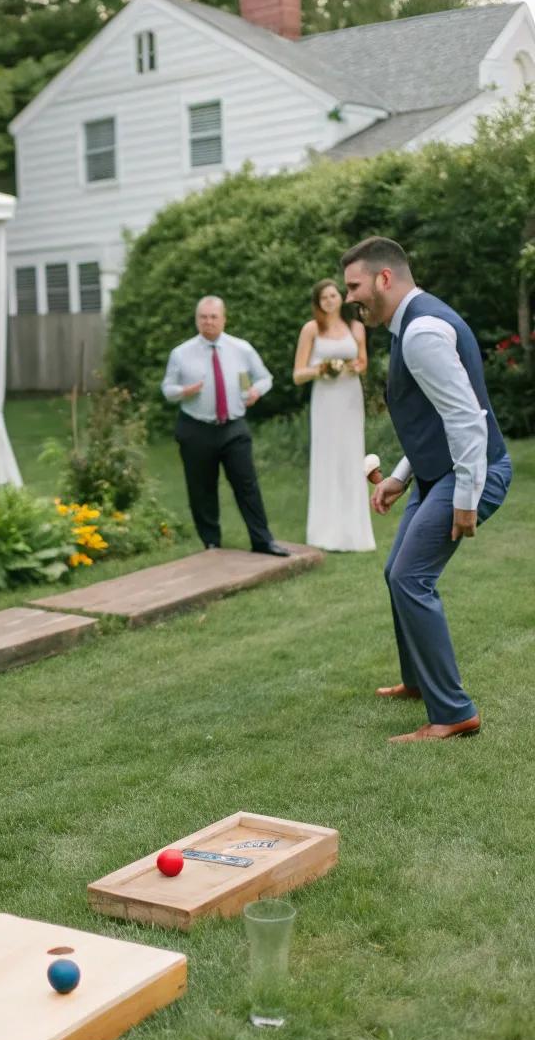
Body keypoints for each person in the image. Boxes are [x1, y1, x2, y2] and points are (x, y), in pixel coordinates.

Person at [342, 237, 512, 742]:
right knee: (397, 572)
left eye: (355, 286)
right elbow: (434, 417)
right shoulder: (409, 325)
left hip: (469, 474)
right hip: (441, 471)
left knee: (412, 578)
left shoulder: (420, 333)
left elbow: (466, 419)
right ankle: (418, 681)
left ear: (384, 279)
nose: (351, 296)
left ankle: (454, 712)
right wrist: (401, 475)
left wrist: (465, 502)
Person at [161, 295, 289, 556]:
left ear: (223, 319)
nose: (208, 322)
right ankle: (211, 544)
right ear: (197, 320)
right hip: (196, 428)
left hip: (233, 427)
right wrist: (184, 390)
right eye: (203, 317)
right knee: (201, 488)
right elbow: (167, 389)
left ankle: (263, 541)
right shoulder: (181, 353)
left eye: (213, 317)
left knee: (247, 484)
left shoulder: (241, 348)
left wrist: (256, 391)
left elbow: (266, 378)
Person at [293, 278, 374, 552]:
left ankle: (355, 533)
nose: (329, 301)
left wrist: (354, 366)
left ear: (340, 298)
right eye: (323, 298)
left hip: (350, 397)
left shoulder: (356, 327)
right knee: (327, 457)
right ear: (318, 303)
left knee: (351, 456)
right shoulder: (312, 329)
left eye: (333, 296)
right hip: (326, 399)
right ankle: (325, 533)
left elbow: (363, 363)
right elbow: (298, 374)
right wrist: (323, 369)